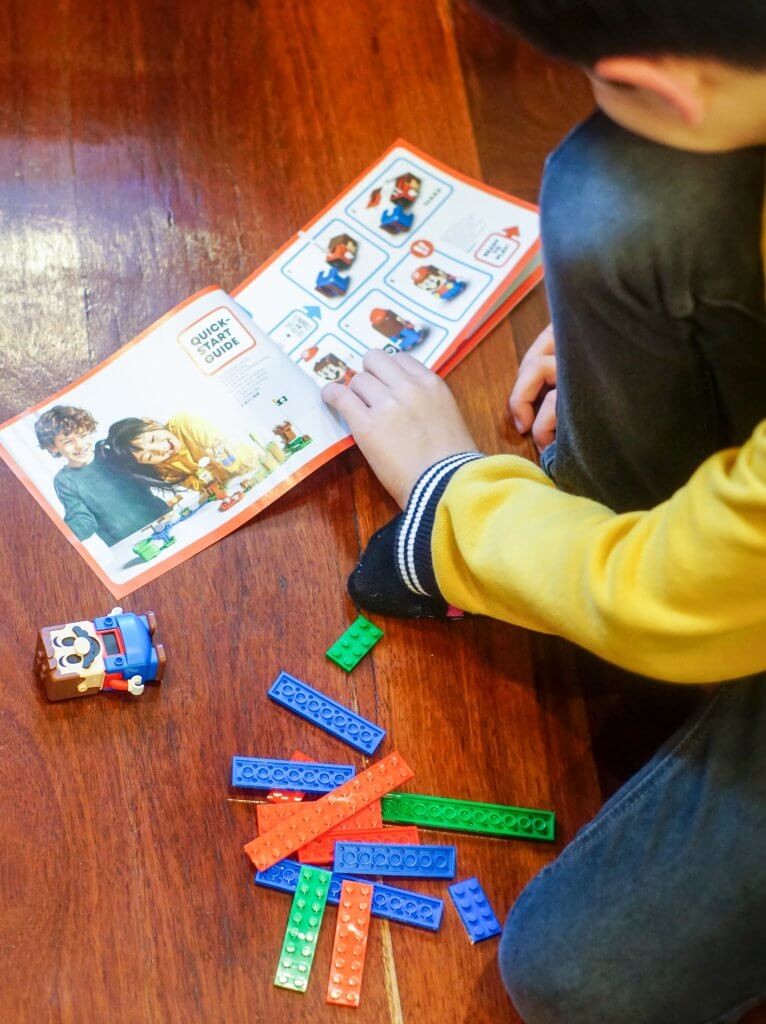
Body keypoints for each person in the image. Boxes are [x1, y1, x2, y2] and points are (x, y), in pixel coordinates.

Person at [321, 2, 766, 1021]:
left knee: (585, 974)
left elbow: (662, 593)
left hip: (709, 595)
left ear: (658, 82)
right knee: (620, 192)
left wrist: (446, 494)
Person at [35, 405, 169, 546]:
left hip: (163, 519)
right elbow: (81, 519)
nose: (80, 445)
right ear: (52, 447)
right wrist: (58, 539)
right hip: (127, 544)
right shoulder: (64, 481)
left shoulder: (109, 450)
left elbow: (150, 467)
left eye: (83, 435)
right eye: (68, 441)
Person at [101, 413, 259, 494]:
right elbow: (205, 487)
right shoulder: (164, 469)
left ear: (151, 423)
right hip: (234, 487)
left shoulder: (183, 423)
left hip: (252, 465)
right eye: (149, 457)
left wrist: (219, 457)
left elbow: (221, 444)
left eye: (153, 439)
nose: (159, 449)